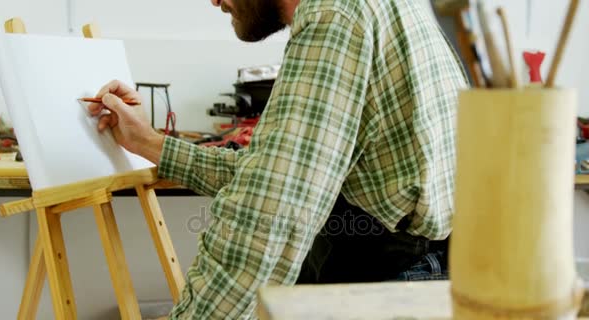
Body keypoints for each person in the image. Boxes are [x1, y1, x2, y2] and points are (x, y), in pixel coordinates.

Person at [87, 0, 467, 318]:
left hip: (395, 286)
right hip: (423, 272)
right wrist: (151, 143)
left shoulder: (336, 15)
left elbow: (269, 214)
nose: (213, 1)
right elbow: (271, 174)